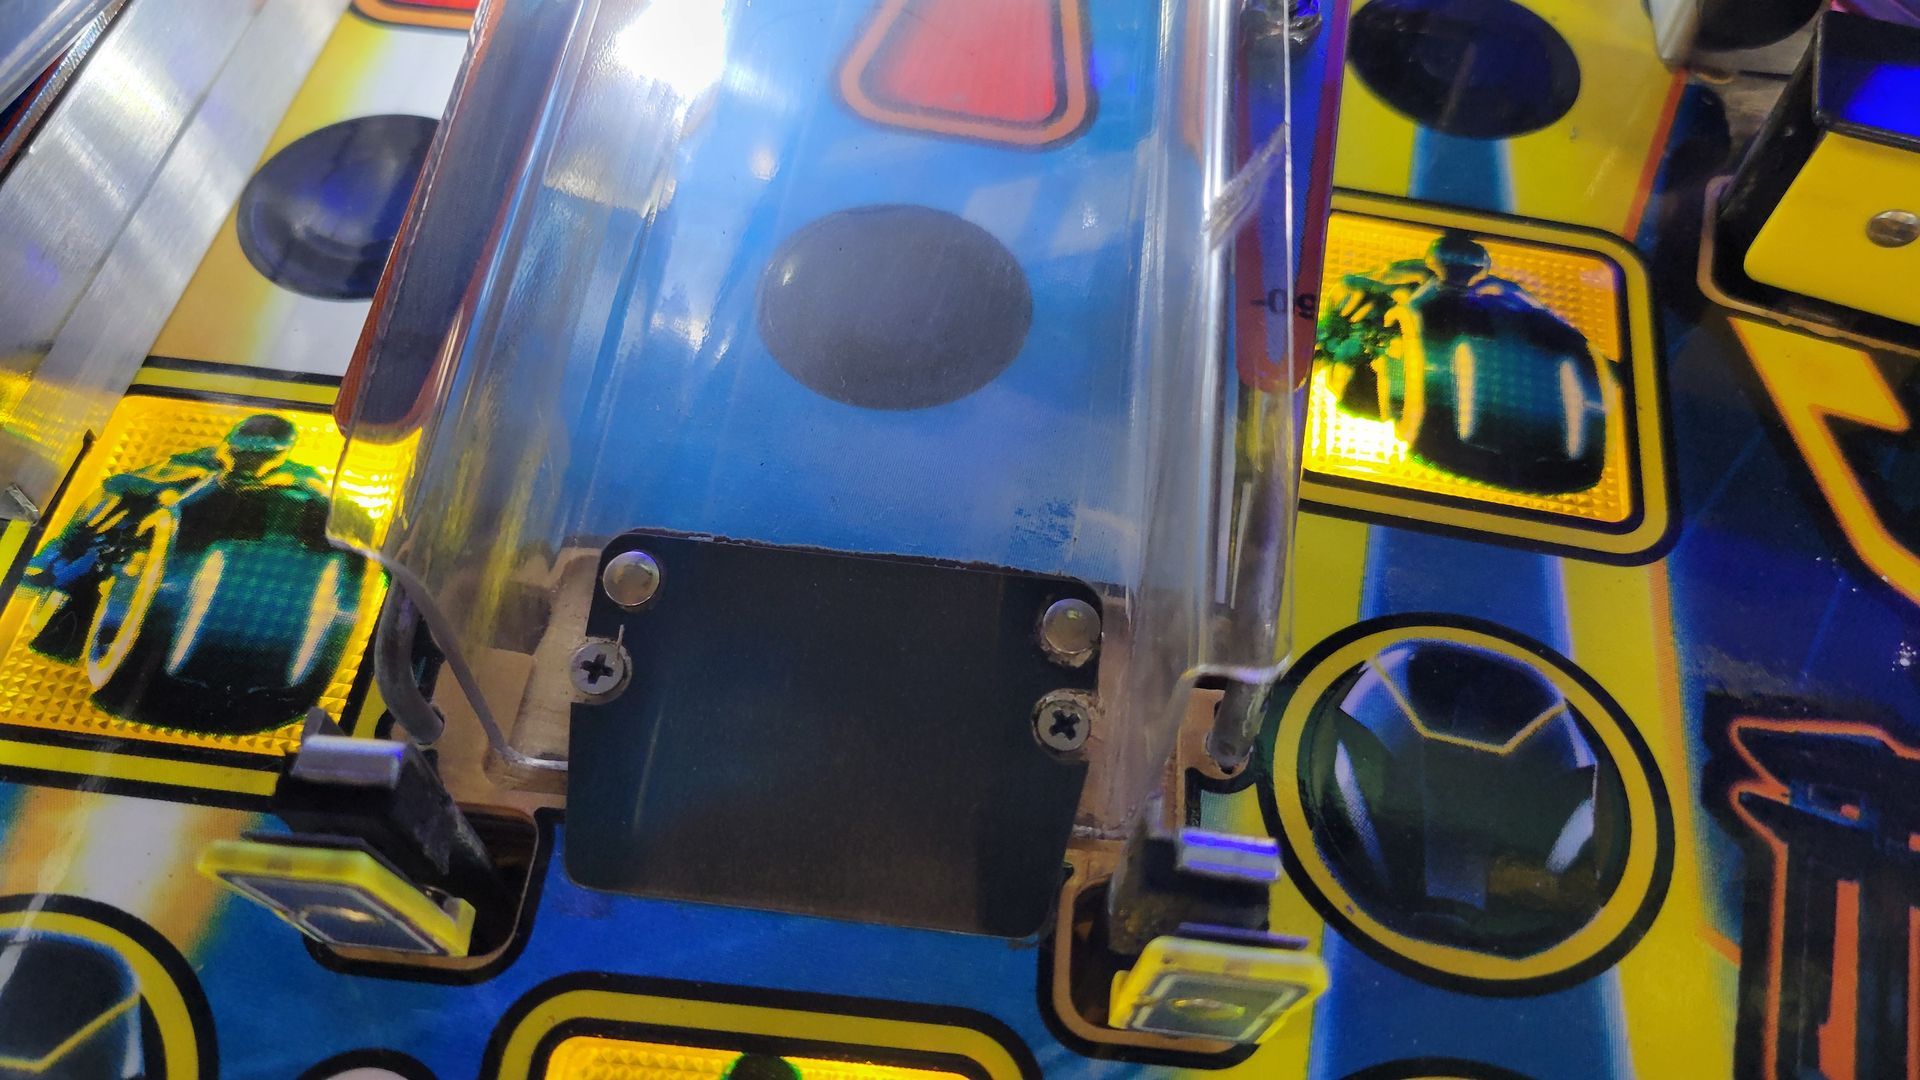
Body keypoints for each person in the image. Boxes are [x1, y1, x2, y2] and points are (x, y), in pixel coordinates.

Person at [20, 415, 322, 661]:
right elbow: (125, 484)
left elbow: (330, 505)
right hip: (163, 545)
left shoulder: (300, 479)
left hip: (242, 570)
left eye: (264, 453)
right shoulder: (198, 464)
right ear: (231, 445)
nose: (251, 460)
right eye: (246, 450)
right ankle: (62, 552)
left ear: (281, 454)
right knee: (117, 498)